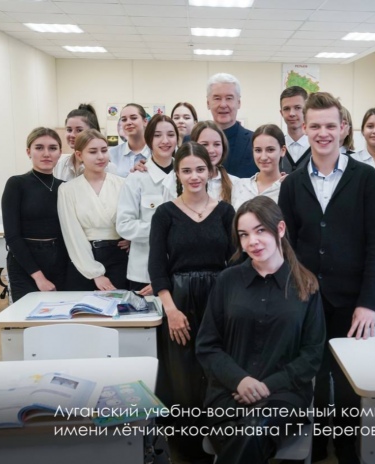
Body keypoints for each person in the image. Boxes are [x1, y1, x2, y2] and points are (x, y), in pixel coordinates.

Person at [278, 92, 375, 464]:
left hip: (353, 301)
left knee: (347, 379)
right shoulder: (292, 184)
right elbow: (286, 246)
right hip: (307, 300)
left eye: (330, 125)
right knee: (312, 374)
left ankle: (345, 445)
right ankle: (316, 443)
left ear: (343, 128)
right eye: (315, 126)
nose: (323, 133)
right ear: (304, 128)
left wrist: (368, 302)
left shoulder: (366, 179)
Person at [196, 196, 325, 464]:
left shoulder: (306, 285)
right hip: (229, 392)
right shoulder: (227, 281)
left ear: (280, 229)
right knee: (246, 436)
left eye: (260, 230)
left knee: (252, 431)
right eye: (244, 235)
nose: (252, 241)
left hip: (284, 395)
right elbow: (207, 346)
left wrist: (267, 386)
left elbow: (312, 355)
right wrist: (239, 380)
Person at [148, 142, 235, 464]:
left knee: (217, 371)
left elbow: (235, 263)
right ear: (177, 174)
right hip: (179, 301)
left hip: (218, 298)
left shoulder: (225, 212)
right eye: (186, 170)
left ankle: (222, 443)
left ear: (211, 172)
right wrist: (170, 310)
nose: (194, 176)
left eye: (200, 169)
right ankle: (187, 452)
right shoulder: (165, 214)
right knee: (182, 377)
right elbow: (157, 267)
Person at [2, 127, 69, 302]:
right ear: (28, 152)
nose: (46, 153)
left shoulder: (65, 187)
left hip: (60, 261)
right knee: (29, 314)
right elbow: (12, 236)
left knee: (60, 313)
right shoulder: (16, 184)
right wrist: (39, 278)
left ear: (60, 153)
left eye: (52, 148)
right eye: (39, 148)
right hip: (26, 263)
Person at [58, 129, 128, 291]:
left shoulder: (123, 184)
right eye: (93, 152)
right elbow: (72, 234)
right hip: (82, 259)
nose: (100, 156)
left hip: (118, 258)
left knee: (119, 305)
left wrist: (131, 238)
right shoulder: (67, 190)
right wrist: (94, 273)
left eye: (104, 150)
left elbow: (134, 219)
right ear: (79, 155)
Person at [116, 115, 178, 295]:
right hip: (143, 272)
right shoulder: (136, 178)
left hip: (180, 270)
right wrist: (161, 229)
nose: (165, 141)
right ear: (149, 139)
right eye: (158, 135)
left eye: (171, 135)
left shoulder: (186, 175)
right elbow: (124, 225)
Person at [206, 72, 256, 178]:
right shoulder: (191, 141)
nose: (223, 105)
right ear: (208, 103)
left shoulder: (255, 142)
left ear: (239, 103)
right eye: (217, 98)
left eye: (229, 98)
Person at [55, 104, 118, 181]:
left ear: (92, 132)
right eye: (69, 130)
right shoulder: (61, 165)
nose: (72, 135)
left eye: (79, 130)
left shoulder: (108, 168)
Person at [231, 124, 285, 209]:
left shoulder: (289, 187)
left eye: (270, 150)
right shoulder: (240, 185)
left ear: (283, 151)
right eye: (258, 150)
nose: (263, 157)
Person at [109, 103, 151, 177]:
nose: (128, 122)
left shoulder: (156, 152)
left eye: (133, 118)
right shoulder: (111, 154)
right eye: (124, 119)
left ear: (145, 121)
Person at [279, 86, 310, 173]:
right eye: (286, 109)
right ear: (281, 113)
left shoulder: (317, 147)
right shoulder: (276, 147)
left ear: (307, 110)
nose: (291, 113)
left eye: (297, 108)